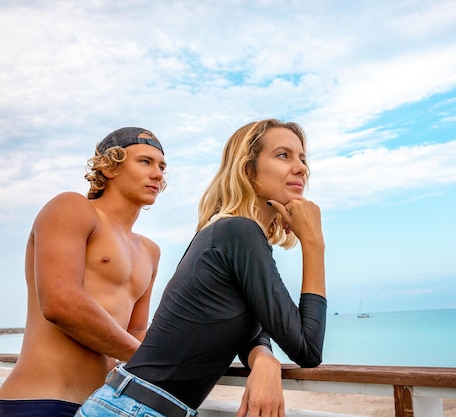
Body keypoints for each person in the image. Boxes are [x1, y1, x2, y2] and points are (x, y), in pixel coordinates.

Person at [75, 118, 327, 417]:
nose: (301, 167)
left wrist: (264, 358)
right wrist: (313, 243)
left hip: (135, 404)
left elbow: (253, 322)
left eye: (302, 158)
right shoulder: (239, 232)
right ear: (248, 170)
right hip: (135, 409)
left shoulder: (229, 233)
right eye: (283, 155)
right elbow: (307, 349)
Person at [0, 127, 168, 416]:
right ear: (110, 167)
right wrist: (149, 359)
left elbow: (137, 330)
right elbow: (61, 302)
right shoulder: (72, 208)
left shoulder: (150, 251)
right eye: (145, 162)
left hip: (102, 407)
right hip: (40, 401)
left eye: (162, 167)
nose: (157, 174)